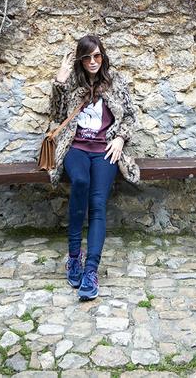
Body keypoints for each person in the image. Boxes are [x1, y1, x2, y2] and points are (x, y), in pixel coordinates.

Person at [49, 34, 140, 300]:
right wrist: (59, 81)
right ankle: (74, 257)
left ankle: (91, 270)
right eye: (87, 57)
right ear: (80, 59)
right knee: (80, 184)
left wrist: (121, 139)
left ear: (103, 57)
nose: (92, 62)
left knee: (98, 202)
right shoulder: (72, 83)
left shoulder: (115, 82)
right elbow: (56, 114)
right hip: (75, 148)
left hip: (105, 150)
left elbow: (131, 115)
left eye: (97, 56)